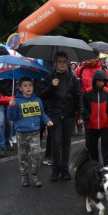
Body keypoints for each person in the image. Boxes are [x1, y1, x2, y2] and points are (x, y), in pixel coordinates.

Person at [39, 52, 83, 181]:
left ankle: (64, 168)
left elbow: (78, 96)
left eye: (64, 62)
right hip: (54, 114)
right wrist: (52, 86)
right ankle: (56, 168)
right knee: (56, 142)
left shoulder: (72, 78)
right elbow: (42, 95)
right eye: (60, 62)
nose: (62, 64)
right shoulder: (49, 77)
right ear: (55, 63)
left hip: (68, 114)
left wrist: (80, 113)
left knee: (66, 143)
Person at [8, 77, 53, 187]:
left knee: (36, 154)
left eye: (30, 85)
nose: (28, 88)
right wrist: (11, 107)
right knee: (23, 155)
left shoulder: (37, 100)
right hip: (21, 133)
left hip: (35, 132)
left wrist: (47, 121)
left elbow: (42, 113)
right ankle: (24, 176)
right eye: (25, 86)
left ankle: (35, 175)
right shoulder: (16, 101)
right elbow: (12, 117)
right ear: (20, 88)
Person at [81, 69, 108, 165]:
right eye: (99, 81)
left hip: (104, 124)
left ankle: (107, 164)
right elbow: (84, 106)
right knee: (92, 146)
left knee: (106, 145)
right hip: (92, 124)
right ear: (94, 80)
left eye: (103, 81)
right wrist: (87, 117)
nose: (101, 83)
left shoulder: (107, 92)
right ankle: (94, 164)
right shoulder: (88, 92)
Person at [0, 46, 15, 156]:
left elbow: (14, 83)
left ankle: (8, 140)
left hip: (8, 98)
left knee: (9, 122)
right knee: (0, 122)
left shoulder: (11, 68)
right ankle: (0, 145)